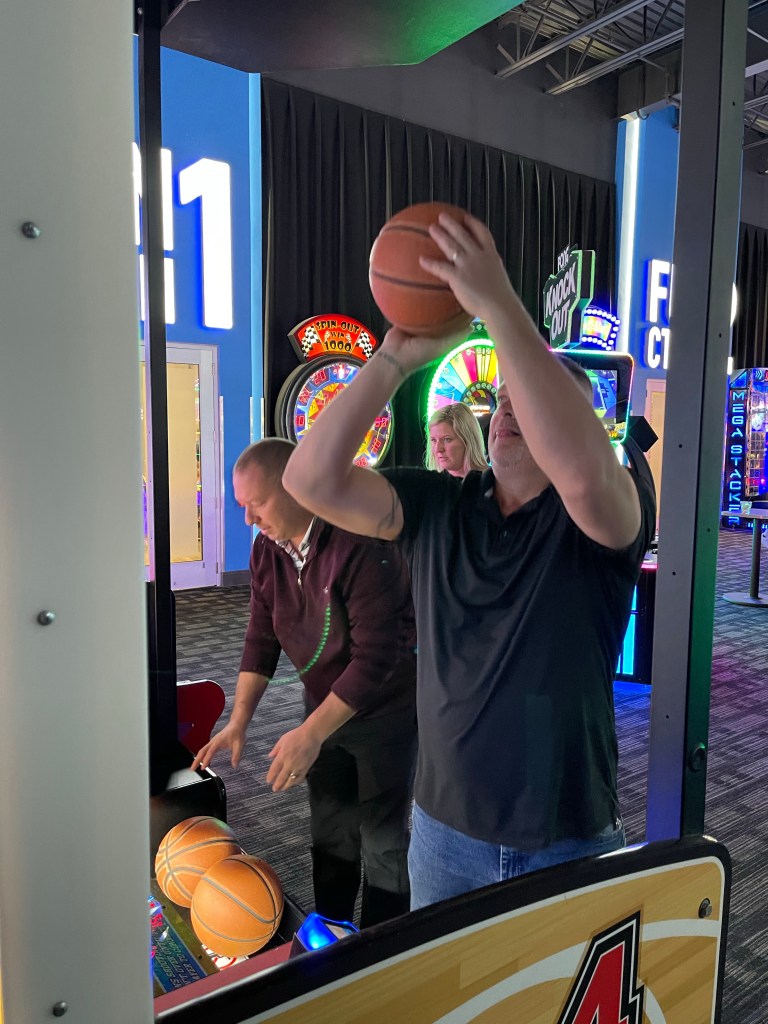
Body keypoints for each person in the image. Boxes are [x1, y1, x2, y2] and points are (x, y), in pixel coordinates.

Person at [282, 210, 656, 909]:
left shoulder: (610, 502)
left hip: (566, 834)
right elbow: (308, 481)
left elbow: (580, 474)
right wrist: (392, 359)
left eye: (533, 400)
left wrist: (500, 305)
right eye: (503, 399)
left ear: (582, 423)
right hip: (444, 833)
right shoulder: (441, 504)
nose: (509, 408)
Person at [192, 438, 417, 926]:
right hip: (322, 709)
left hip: (385, 714)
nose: (249, 519)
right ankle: (332, 937)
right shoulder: (267, 549)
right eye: (242, 506)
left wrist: (311, 733)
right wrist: (240, 720)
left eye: (257, 503)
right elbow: (261, 635)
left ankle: (384, 949)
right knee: (331, 832)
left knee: (383, 842)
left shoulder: (362, 544)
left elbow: (376, 659)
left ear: (296, 488)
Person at [425, 402, 488, 477]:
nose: (437, 449)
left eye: (447, 439)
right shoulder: (430, 482)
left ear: (468, 440)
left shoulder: (492, 480)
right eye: (433, 440)